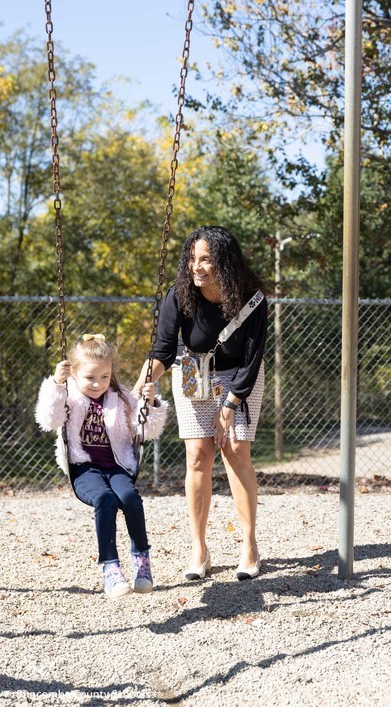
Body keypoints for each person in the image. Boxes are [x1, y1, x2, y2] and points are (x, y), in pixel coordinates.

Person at [133, 226, 268, 582]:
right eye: (192, 258)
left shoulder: (252, 298)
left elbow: (253, 359)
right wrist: (142, 384)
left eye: (205, 259)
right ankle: (199, 548)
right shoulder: (179, 294)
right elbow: (162, 351)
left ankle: (249, 545)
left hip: (240, 376)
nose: (196, 266)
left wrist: (229, 406)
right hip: (194, 374)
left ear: (223, 261)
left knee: (236, 450)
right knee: (198, 456)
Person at [35, 334, 168, 598]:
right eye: (90, 377)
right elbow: (48, 420)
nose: (98, 384)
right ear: (74, 373)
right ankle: (110, 568)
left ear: (111, 374)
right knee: (105, 499)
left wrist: (150, 403)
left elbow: (146, 431)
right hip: (84, 469)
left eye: (104, 377)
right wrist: (56, 384)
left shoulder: (120, 398)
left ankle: (142, 562)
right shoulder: (68, 395)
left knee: (130, 497)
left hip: (117, 466)